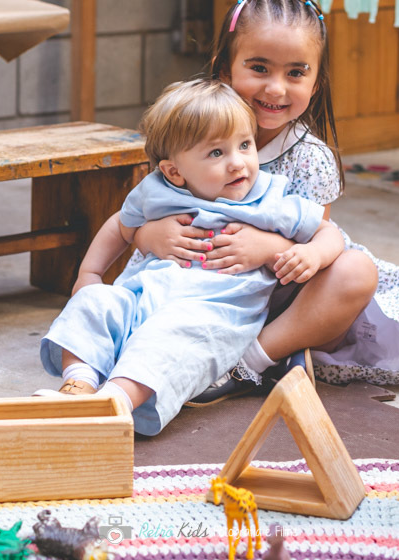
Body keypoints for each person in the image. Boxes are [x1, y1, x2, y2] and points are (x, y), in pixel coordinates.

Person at [132, 0, 399, 404]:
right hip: (204, 288)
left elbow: (318, 242)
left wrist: (269, 248)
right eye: (259, 67)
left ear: (316, 83)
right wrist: (147, 233)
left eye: (296, 73)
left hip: (281, 298)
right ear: (223, 68)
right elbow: (145, 207)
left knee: (355, 270)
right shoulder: (193, 134)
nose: (276, 88)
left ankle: (252, 362)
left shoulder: (312, 158)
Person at [37, 79, 345, 436]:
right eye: (217, 153)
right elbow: (119, 226)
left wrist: (312, 252)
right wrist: (89, 274)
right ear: (174, 171)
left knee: (170, 338)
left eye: (245, 145)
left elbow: (328, 231)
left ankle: (115, 403)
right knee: (94, 303)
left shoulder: (267, 200)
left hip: (212, 312)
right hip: (140, 296)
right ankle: (78, 386)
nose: (237, 163)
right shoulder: (158, 191)